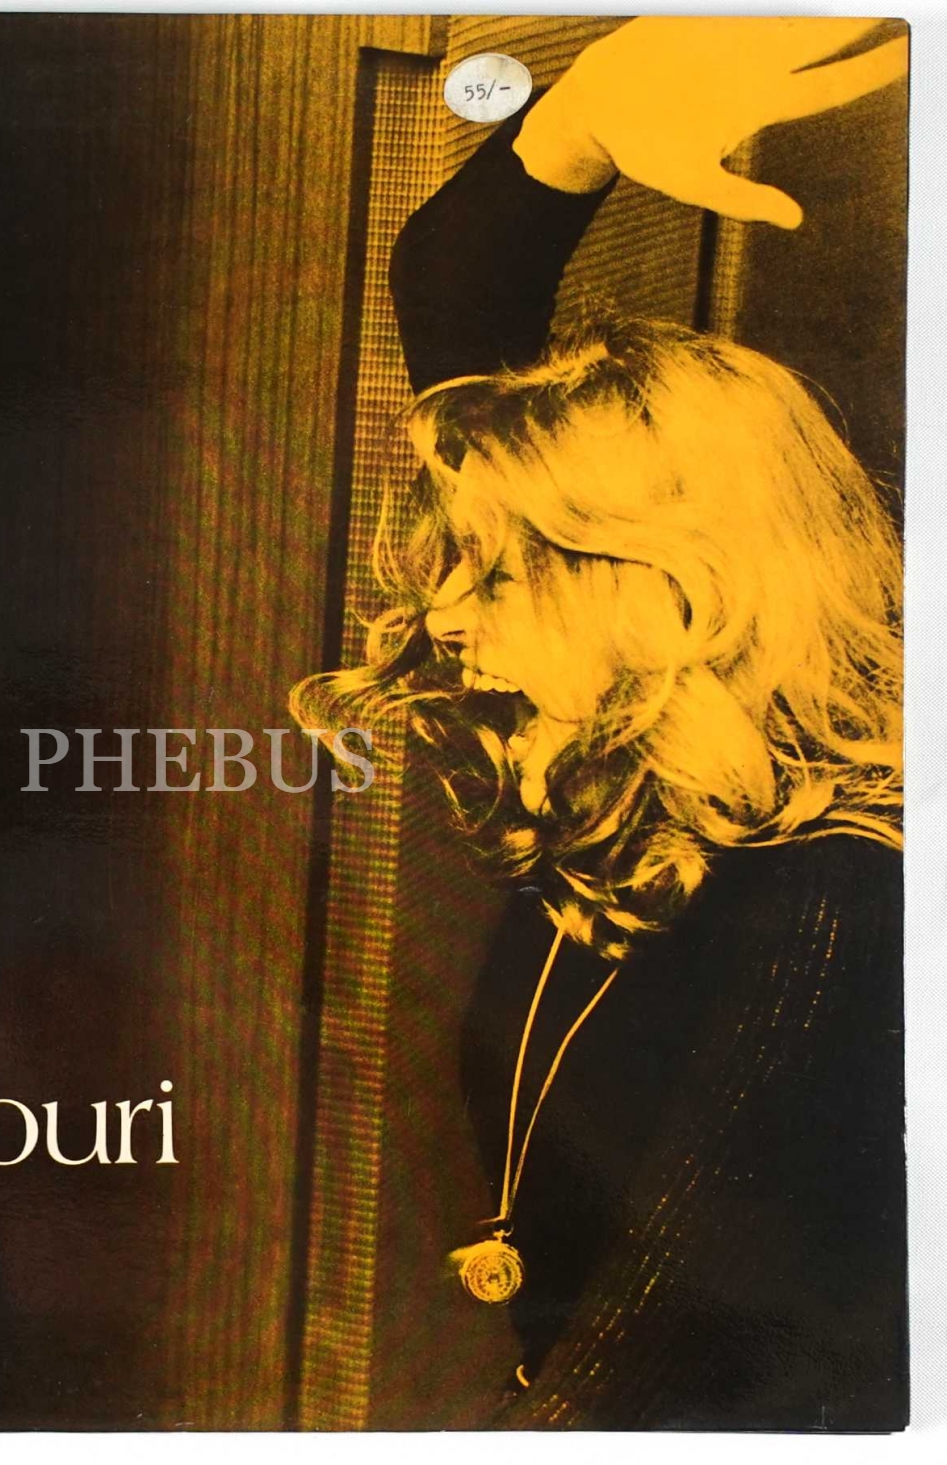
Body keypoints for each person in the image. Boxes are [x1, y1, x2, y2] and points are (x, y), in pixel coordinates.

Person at [298, 19, 908, 1429]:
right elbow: (455, 289)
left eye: (500, 572)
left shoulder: (832, 911)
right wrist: (577, 124)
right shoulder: (653, 774)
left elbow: (662, 1379)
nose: (447, 618)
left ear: (675, 590)